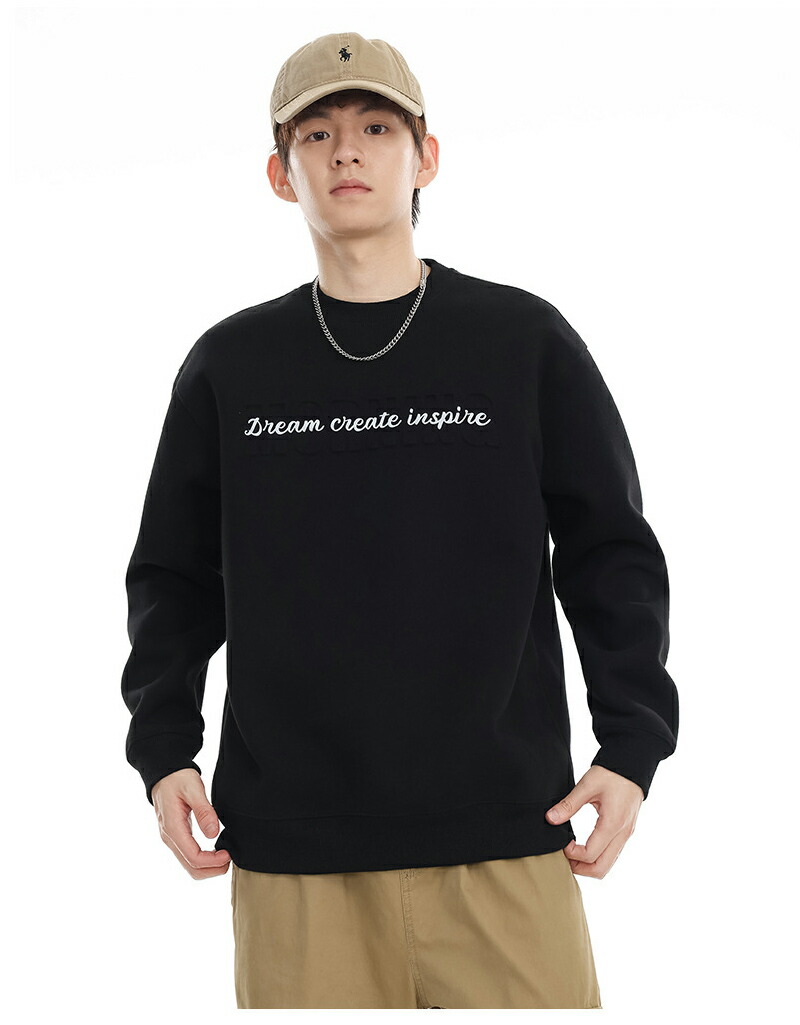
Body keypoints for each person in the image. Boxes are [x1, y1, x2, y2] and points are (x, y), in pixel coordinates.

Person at [120, 31, 679, 1010]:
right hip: (296, 860)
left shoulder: (520, 342)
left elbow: (610, 551)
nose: (347, 149)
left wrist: (632, 743)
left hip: (507, 836)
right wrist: (163, 748)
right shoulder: (230, 367)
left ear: (425, 158)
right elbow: (172, 576)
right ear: (280, 173)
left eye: (377, 127)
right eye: (317, 133)